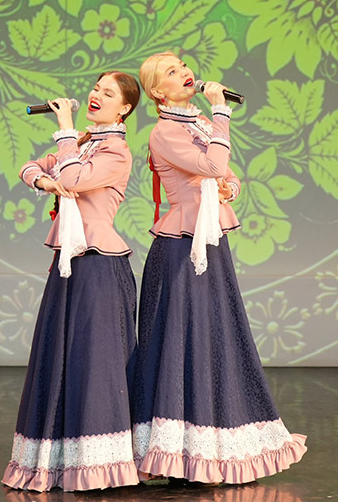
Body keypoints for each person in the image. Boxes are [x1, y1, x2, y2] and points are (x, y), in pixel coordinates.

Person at [132, 52, 306, 484]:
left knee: (214, 337)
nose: (184, 72)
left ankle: (208, 449)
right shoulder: (164, 132)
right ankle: (176, 454)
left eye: (182, 66)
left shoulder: (196, 125)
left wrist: (229, 187)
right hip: (182, 247)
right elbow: (213, 164)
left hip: (210, 241)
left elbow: (225, 174)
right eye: (171, 72)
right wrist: (221, 111)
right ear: (157, 92)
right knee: (182, 342)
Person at [2, 71, 143, 492]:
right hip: (69, 264)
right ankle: (58, 460)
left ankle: (99, 466)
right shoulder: (83, 143)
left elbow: (75, 180)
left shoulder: (116, 151)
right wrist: (43, 179)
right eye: (96, 88)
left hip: (99, 266)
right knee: (60, 357)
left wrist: (65, 130)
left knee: (94, 363)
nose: (96, 95)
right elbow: (31, 167)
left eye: (108, 93)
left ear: (125, 108)